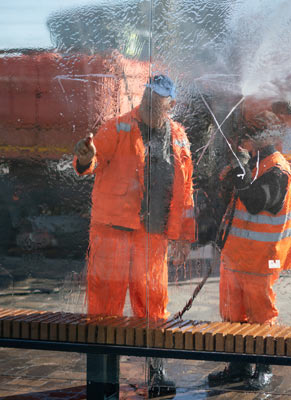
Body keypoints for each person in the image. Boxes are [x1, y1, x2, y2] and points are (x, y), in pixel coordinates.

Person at [73, 74, 194, 398]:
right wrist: (84, 156)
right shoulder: (118, 127)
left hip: (153, 236)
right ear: (143, 97)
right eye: (149, 98)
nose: (152, 105)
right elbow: (91, 159)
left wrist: (184, 236)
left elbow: (186, 191)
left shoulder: (179, 136)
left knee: (154, 307)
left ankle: (157, 371)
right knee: (104, 306)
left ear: (170, 104)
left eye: (159, 101)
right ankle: (102, 376)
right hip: (113, 233)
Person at [207, 111, 291, 390]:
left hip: (263, 258)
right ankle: (239, 366)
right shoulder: (252, 164)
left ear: (262, 138)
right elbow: (228, 199)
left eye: (247, 137)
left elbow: (260, 201)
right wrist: (233, 175)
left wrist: (241, 176)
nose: (242, 142)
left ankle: (264, 367)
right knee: (233, 314)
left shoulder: (277, 168)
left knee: (262, 314)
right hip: (236, 256)